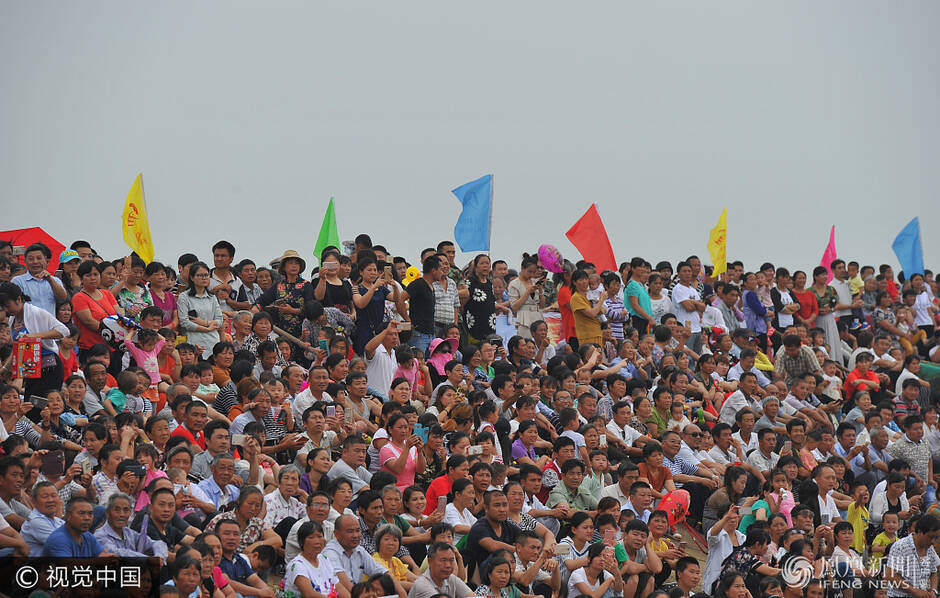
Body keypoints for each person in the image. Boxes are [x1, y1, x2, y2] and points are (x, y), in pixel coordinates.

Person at [0, 282, 70, 395]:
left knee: (43, 403)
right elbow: (17, 349)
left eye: (8, 305)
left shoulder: (36, 313)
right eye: (3, 307)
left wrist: (35, 336)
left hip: (50, 368)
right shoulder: (12, 320)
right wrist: (5, 368)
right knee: (30, 403)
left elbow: (63, 331)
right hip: (31, 370)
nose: (6, 310)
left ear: (18, 299)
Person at [323, 514, 407, 598]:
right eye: (350, 531)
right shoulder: (330, 552)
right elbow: (340, 580)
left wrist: (402, 592)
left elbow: (382, 572)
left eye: (358, 530)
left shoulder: (359, 550)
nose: (355, 535)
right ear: (336, 534)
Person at [94, 492, 168, 558]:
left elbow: (158, 543)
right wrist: (147, 559)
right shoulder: (99, 536)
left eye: (126, 510)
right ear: (107, 513)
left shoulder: (129, 533)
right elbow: (117, 553)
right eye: (117, 510)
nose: (122, 514)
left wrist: (159, 556)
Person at [885, 513, 940, 598]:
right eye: (930, 537)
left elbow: (933, 572)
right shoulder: (900, 546)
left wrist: (933, 590)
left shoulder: (930, 548)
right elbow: (890, 575)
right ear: (920, 532)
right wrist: (915, 591)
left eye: (936, 538)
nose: (933, 541)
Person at [283, 520, 340, 598]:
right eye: (311, 537)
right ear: (302, 541)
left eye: (320, 536)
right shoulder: (297, 565)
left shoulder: (324, 559)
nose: (317, 541)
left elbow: (338, 586)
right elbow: (310, 594)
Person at [408, 542, 474, 598]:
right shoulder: (422, 585)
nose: (448, 565)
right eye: (443, 560)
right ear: (430, 561)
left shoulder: (451, 578)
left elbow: (472, 596)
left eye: (451, 560)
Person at [20, 481, 63, 555]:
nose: (50, 500)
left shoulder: (57, 520)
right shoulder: (35, 521)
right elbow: (62, 545)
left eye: (54, 495)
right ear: (34, 501)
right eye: (45, 496)